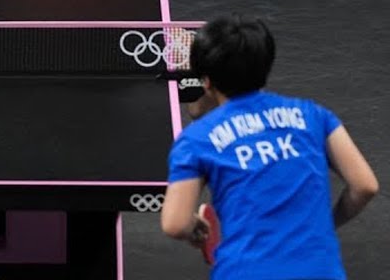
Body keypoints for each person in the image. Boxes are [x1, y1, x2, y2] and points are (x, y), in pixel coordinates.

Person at [161, 16, 378, 278]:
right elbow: (365, 185)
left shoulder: (196, 140)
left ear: (206, 81)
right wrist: (326, 224)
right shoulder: (315, 116)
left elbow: (175, 224)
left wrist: (194, 226)